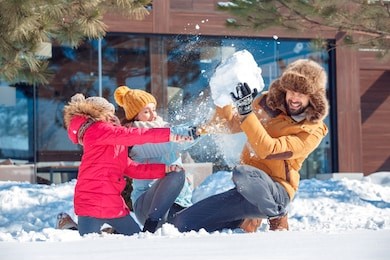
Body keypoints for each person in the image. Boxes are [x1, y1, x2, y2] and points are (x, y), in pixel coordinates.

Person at [172, 59, 329, 232]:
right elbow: (230, 124)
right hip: (246, 189)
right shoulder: (267, 104)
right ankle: (242, 222)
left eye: (301, 93)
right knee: (182, 223)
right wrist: (221, 94)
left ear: (312, 97)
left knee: (243, 173)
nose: (294, 98)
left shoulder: (312, 130)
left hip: (277, 191)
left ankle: (277, 215)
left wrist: (246, 111)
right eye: (291, 91)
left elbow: (269, 150)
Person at [62, 93, 190, 236]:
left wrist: (164, 169)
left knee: (137, 242)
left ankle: (92, 230)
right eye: (110, 113)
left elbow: (131, 168)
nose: (113, 117)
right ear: (99, 115)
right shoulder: (97, 130)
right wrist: (168, 135)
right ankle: (70, 227)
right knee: (87, 249)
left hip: (113, 206)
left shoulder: (112, 141)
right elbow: (134, 135)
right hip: (91, 206)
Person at [114, 85, 198, 233]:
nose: (153, 115)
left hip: (178, 203)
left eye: (153, 109)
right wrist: (197, 131)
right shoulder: (135, 139)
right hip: (147, 205)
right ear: (135, 116)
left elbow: (173, 136)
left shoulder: (165, 127)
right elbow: (169, 143)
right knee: (176, 173)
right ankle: (151, 227)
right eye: (146, 111)